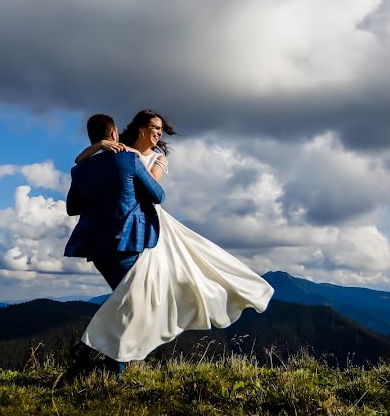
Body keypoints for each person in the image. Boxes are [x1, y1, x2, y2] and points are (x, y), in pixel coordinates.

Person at [77, 109, 274, 363]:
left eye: (161, 129)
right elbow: (80, 162)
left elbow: (152, 187)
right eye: (154, 127)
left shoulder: (153, 157)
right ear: (141, 128)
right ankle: (107, 354)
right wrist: (102, 146)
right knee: (138, 295)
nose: (159, 132)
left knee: (186, 276)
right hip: (123, 227)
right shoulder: (119, 150)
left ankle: (100, 351)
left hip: (151, 224)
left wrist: (131, 159)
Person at [63, 113, 166, 374]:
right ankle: (102, 360)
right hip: (127, 239)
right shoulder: (129, 159)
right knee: (132, 303)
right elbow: (157, 195)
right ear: (113, 134)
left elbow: (72, 207)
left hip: (96, 244)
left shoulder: (81, 169)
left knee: (125, 301)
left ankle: (99, 359)